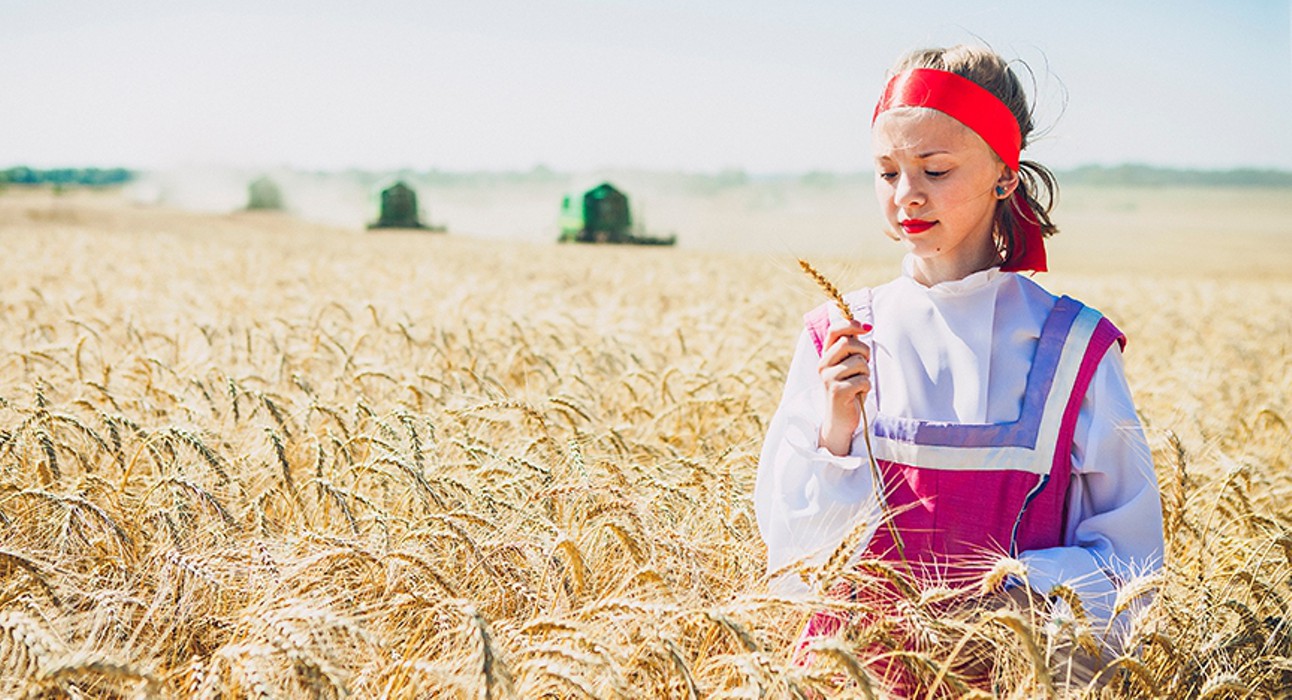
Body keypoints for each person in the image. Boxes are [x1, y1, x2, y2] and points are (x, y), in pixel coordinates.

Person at [753, 45, 1164, 692]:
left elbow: (1132, 560)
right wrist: (836, 429)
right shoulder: (836, 334)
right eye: (887, 173)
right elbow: (794, 559)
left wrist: (1015, 597)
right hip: (855, 681)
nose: (906, 194)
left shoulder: (1074, 349)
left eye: (935, 169)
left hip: (1011, 679)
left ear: (1006, 174)